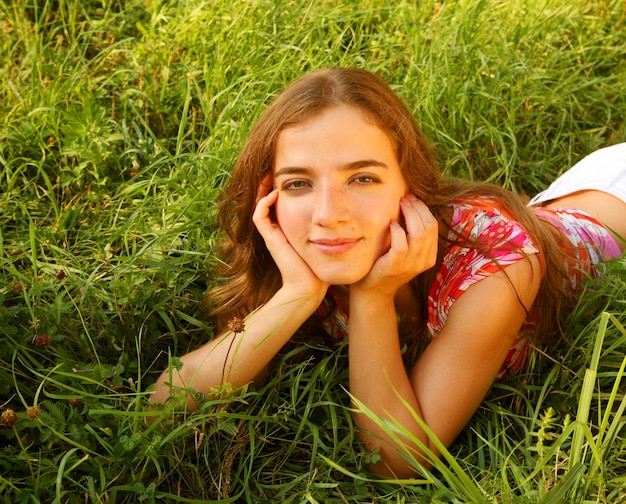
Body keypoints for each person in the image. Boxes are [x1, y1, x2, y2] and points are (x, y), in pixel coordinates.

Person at [151, 67, 626, 478]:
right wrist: (296, 293)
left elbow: (397, 460)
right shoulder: (298, 254)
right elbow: (162, 409)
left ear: (411, 186)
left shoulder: (496, 264)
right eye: (298, 183)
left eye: (363, 178)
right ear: (268, 200)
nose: (328, 214)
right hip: (567, 198)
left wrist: (372, 298)